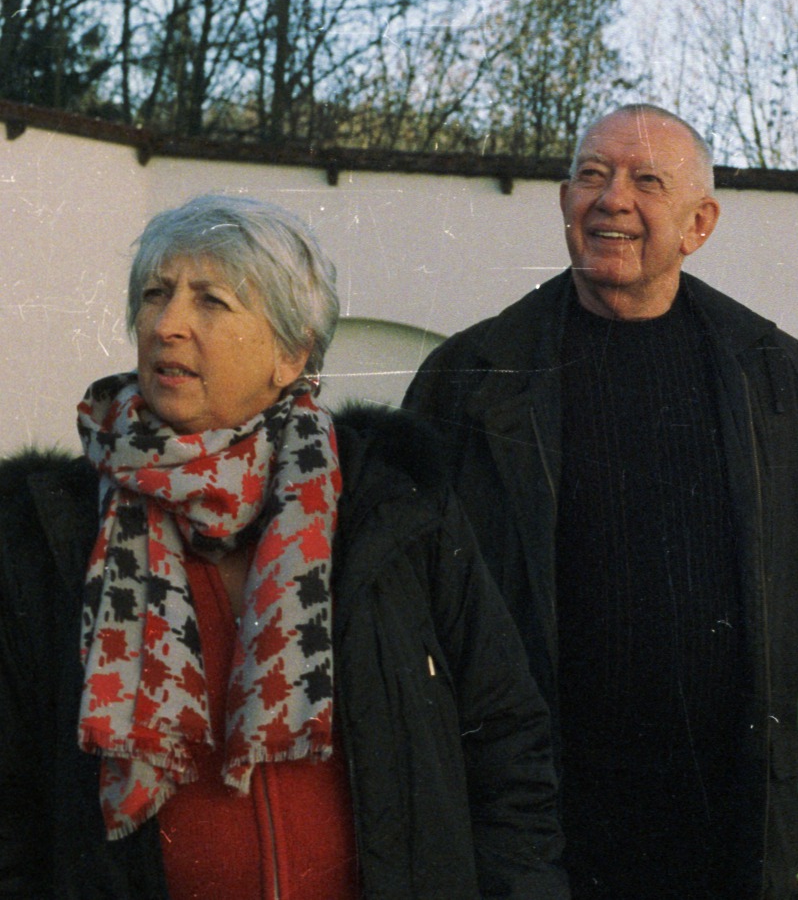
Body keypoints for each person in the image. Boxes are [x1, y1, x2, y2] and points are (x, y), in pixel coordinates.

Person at [404, 103, 798, 899]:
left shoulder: (775, 375)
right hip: (533, 818)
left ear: (698, 222)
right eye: (591, 174)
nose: (612, 199)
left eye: (647, 180)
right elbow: (409, 619)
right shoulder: (469, 377)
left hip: (723, 816)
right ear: (564, 201)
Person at [0, 194, 567, 899]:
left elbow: (507, 741)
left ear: (291, 353)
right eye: (155, 294)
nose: (168, 324)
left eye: (211, 301)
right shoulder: (49, 529)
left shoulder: (390, 507)